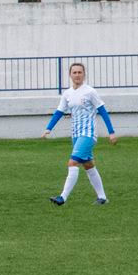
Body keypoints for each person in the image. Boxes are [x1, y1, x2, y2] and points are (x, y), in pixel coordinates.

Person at [41, 63, 117, 205]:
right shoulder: (67, 93)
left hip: (88, 134)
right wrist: (48, 128)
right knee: (88, 165)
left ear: (84, 74)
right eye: (74, 72)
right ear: (70, 75)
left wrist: (111, 132)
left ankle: (62, 197)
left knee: (73, 162)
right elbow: (59, 111)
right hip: (75, 134)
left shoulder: (90, 92)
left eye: (79, 72)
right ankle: (102, 198)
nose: (77, 75)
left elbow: (103, 111)